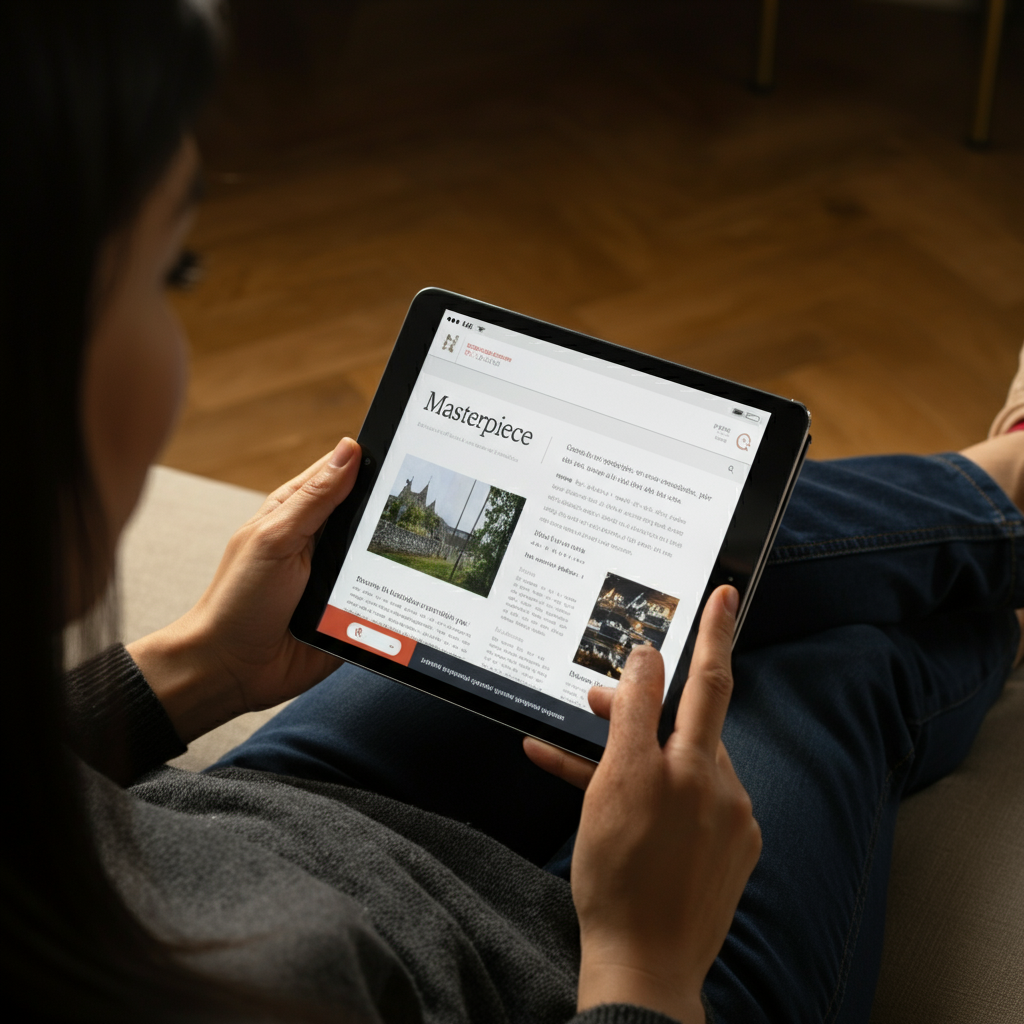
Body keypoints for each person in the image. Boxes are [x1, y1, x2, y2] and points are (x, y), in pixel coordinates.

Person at [3, 2, 1021, 1022]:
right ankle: (1000, 568)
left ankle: (1001, 491)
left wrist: (195, 666)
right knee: (813, 667)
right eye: (167, 270)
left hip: (260, 820)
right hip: (552, 982)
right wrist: (645, 967)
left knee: (675, 601)